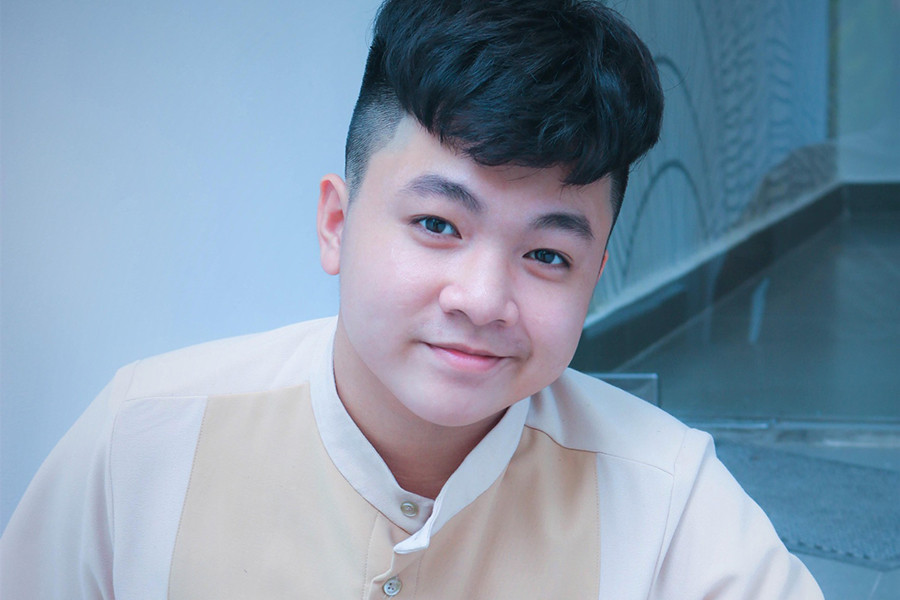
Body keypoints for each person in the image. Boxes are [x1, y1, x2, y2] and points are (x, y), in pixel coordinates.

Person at [1, 0, 823, 598]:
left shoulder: (667, 499)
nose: (483, 299)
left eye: (547, 254)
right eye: (437, 224)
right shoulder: (144, 442)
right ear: (337, 223)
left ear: (594, 273)